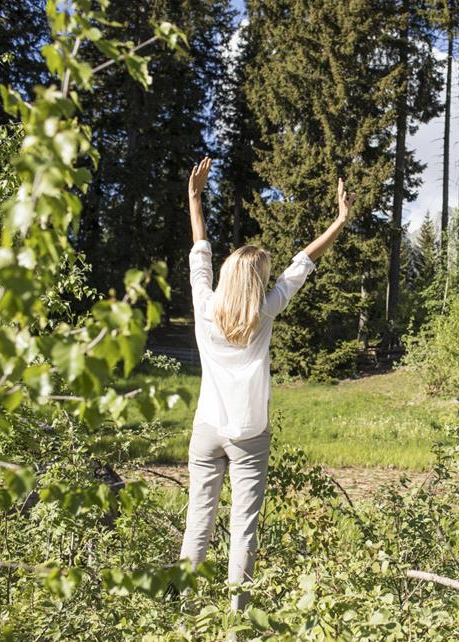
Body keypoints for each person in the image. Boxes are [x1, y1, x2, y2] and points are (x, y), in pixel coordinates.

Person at [179, 157, 355, 610]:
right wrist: (339, 221)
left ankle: (184, 609)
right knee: (243, 527)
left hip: (207, 429)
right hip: (250, 434)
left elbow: (200, 246)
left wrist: (195, 195)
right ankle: (235, 622)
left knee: (198, 521)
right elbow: (304, 263)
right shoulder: (266, 311)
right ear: (257, 283)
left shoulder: (204, 305)